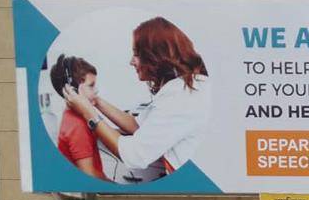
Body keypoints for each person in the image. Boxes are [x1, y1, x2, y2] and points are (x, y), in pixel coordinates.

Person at [61, 16, 209, 181]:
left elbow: (135, 155)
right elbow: (138, 126)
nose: (132, 62)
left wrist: (89, 114)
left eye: (137, 54)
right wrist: (96, 102)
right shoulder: (184, 87)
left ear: (156, 55)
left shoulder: (182, 95)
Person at [49, 55, 106, 179]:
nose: (96, 91)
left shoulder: (73, 116)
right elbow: (89, 175)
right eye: (91, 85)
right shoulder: (78, 127)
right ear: (73, 91)